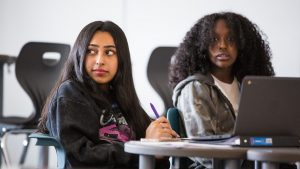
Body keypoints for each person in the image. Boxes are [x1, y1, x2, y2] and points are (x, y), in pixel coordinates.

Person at [37, 21, 178, 169]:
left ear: (121, 59)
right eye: (91, 51)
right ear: (80, 54)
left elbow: (156, 160)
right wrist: (146, 148)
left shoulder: (121, 97)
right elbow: (82, 158)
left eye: (109, 52)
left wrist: (161, 141)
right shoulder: (70, 93)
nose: (100, 61)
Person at [169, 12, 275, 168]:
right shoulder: (195, 88)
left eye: (231, 39)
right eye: (214, 39)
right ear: (202, 45)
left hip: (252, 161)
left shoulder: (248, 86)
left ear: (242, 45)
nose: (223, 45)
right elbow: (204, 151)